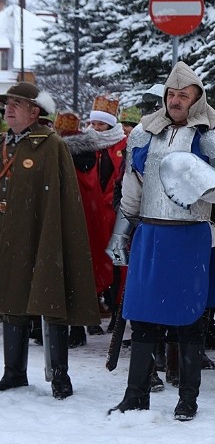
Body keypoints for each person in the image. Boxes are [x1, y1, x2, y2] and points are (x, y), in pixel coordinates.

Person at [107, 61, 215, 421]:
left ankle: (188, 399)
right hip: (150, 234)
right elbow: (131, 190)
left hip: (189, 236)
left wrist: (197, 179)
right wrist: (120, 233)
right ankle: (135, 395)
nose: (176, 100)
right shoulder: (143, 135)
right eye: (171, 94)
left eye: (184, 95)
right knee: (144, 317)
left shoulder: (212, 136)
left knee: (190, 320)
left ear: (197, 99)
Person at [0, 82, 100, 400]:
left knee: (50, 296)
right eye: (8, 104)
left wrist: (54, 236)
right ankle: (14, 373)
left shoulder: (50, 144)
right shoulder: (4, 143)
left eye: (18, 103)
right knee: (11, 299)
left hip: (42, 232)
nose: (9, 108)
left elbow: (63, 199)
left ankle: (59, 376)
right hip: (9, 235)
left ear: (35, 111)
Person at [61, 96, 127, 345]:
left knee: (118, 267)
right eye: (94, 124)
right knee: (85, 266)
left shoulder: (123, 144)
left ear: (111, 125)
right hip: (89, 216)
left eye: (101, 125)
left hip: (114, 215)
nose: (96, 129)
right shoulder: (82, 146)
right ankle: (83, 321)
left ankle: (117, 315)